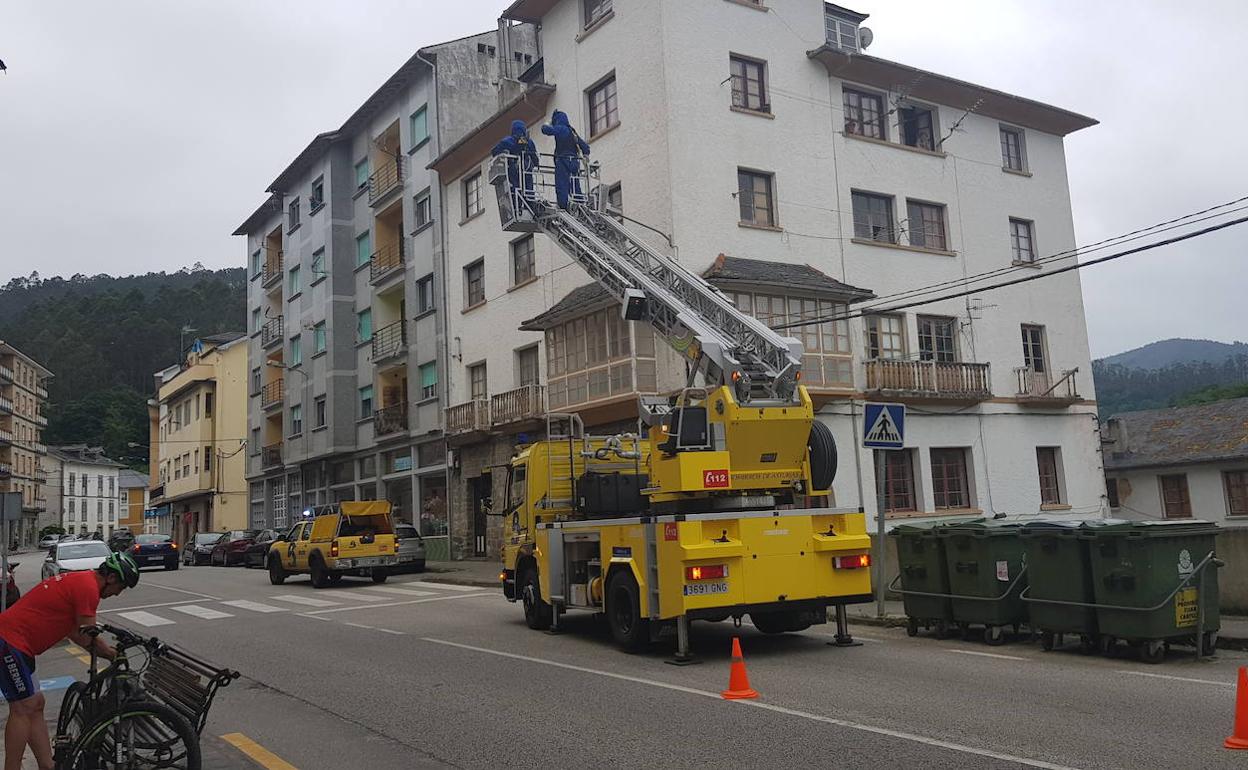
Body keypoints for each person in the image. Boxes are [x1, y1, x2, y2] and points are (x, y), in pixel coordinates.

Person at [0, 552, 139, 770]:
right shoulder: (89, 588)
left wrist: (107, 652)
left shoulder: (83, 580)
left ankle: (47, 765)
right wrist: (113, 655)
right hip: (10, 643)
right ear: (111, 578)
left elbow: (76, 632)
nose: (117, 594)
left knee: (36, 704)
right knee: (22, 708)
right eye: (120, 587)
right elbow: (86, 636)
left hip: (20, 645)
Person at [541, 110, 591, 210]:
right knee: (575, 185)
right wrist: (585, 155)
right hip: (574, 162)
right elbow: (585, 147)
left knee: (562, 185)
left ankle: (563, 206)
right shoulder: (572, 132)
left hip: (562, 161)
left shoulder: (560, 129)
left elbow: (546, 130)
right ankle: (580, 204)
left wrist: (547, 124)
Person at [491, 119, 539, 208]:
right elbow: (535, 158)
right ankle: (530, 206)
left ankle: (517, 207)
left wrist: (504, 153)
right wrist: (536, 163)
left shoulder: (508, 141)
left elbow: (494, 151)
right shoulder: (529, 142)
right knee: (528, 189)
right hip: (526, 170)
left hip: (514, 170)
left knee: (515, 189)